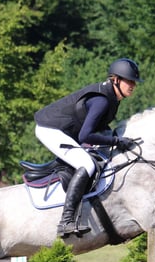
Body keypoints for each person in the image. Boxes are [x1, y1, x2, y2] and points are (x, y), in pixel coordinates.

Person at [34, 58, 142, 238]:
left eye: (134, 82)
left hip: (64, 130)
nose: (133, 85)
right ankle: (66, 221)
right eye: (128, 80)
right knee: (87, 164)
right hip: (49, 129)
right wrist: (116, 141)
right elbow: (85, 136)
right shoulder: (102, 101)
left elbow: (98, 129)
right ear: (115, 79)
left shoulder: (112, 97)